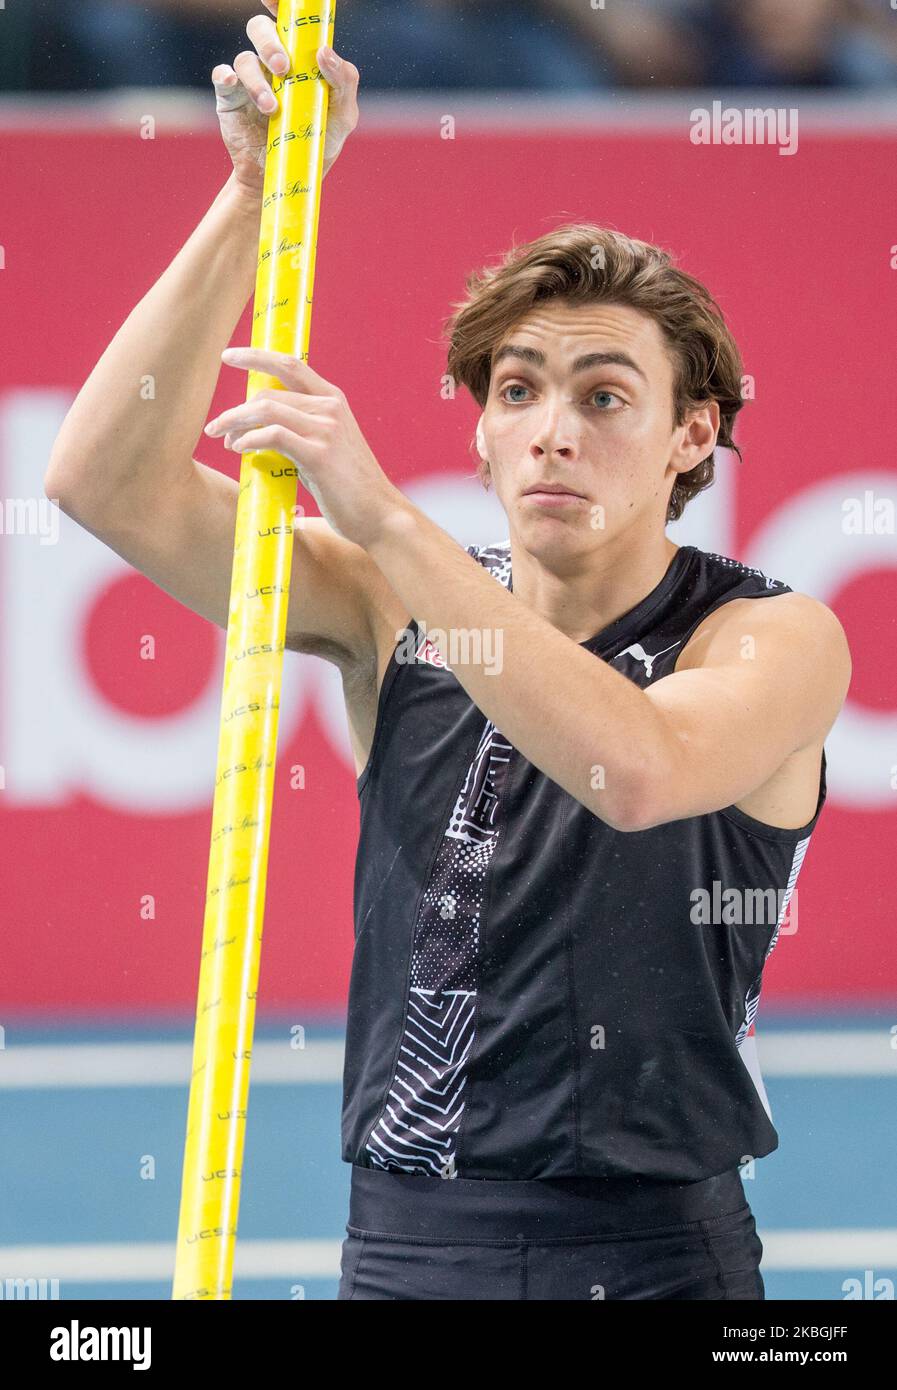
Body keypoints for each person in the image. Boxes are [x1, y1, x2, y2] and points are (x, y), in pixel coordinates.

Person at [45, 6, 851, 1300]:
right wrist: (256, 196)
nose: (548, 431)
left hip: (655, 1256)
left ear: (691, 436)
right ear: (478, 433)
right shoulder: (383, 603)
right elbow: (102, 480)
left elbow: (634, 769)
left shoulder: (770, 637)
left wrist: (380, 513)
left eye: (602, 396)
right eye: (516, 392)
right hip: (408, 1246)